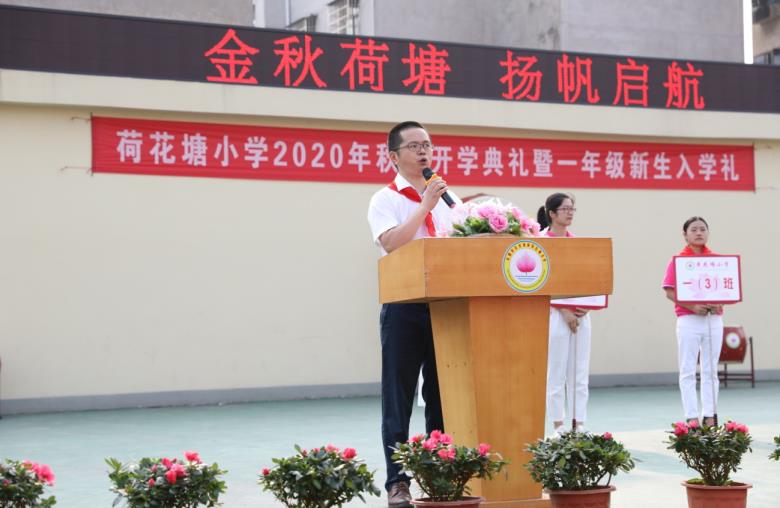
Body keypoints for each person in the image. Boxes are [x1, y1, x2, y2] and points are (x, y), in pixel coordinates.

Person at [367, 121, 458, 507]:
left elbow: (463, 242)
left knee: (443, 395)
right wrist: (424, 207)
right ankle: (398, 481)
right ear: (394, 156)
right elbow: (392, 243)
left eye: (428, 145)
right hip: (404, 307)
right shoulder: (384, 199)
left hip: (447, 306)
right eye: (415, 146)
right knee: (398, 397)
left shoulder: (448, 197)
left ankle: (439, 473)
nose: (424, 152)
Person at [537, 192, 592, 434]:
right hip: (554, 314)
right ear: (551, 213)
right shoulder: (540, 243)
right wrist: (564, 310)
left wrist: (587, 305)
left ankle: (579, 422)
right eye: (565, 209)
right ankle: (558, 424)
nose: (570, 213)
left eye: (572, 209)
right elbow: (539, 282)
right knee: (556, 371)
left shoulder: (578, 243)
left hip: (581, 314)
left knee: (580, 371)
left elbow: (589, 279)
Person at [662, 217, 724, 427]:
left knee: (710, 370)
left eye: (703, 229)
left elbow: (726, 289)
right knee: (687, 369)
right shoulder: (678, 261)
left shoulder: (717, 261)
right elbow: (669, 291)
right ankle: (692, 418)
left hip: (713, 319)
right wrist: (693, 307)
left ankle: (710, 416)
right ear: (685, 234)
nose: (699, 233)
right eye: (694, 229)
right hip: (688, 319)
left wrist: (720, 302)